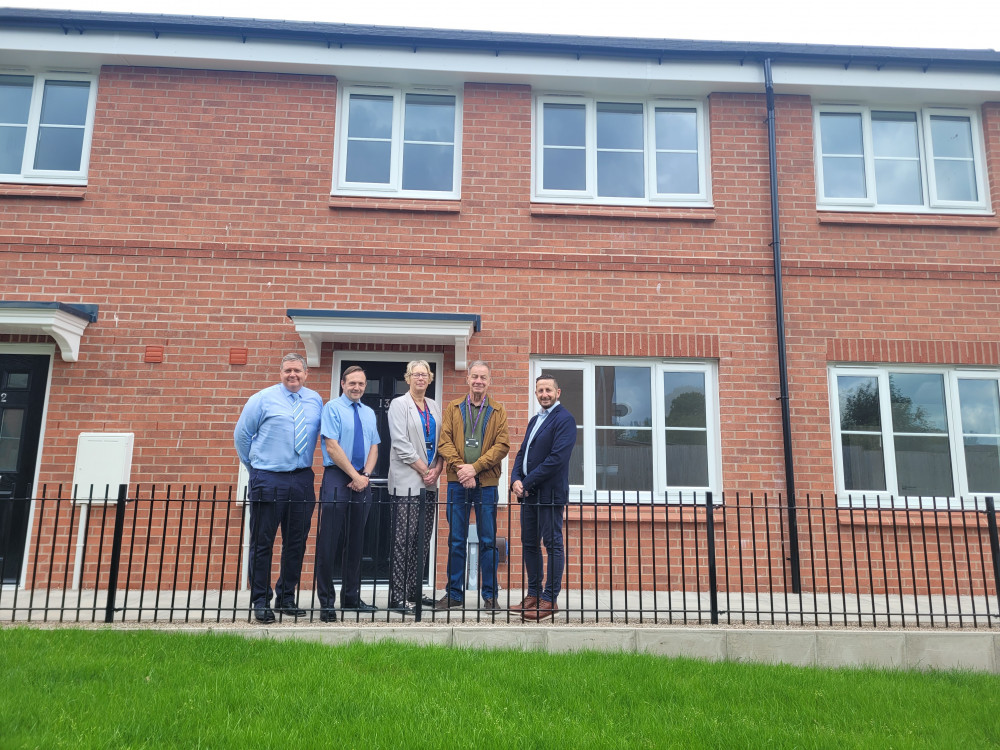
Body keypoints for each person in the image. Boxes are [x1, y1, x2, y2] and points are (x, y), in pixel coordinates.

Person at [234, 353, 322, 624]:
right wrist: (256, 468)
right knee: (263, 543)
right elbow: (242, 436)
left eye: (297, 370)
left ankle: (286, 597)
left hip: (302, 478)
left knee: (296, 542)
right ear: (280, 373)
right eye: (287, 371)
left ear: (306, 373)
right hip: (268, 477)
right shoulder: (261, 399)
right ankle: (260, 600)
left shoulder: (315, 400)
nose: (292, 375)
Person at [436, 360, 510, 611]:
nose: (479, 381)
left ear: (489, 381)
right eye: (475, 376)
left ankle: (490, 596)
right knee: (456, 540)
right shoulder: (453, 407)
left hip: (486, 483)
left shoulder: (498, 411)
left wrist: (475, 468)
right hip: (458, 483)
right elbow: (444, 442)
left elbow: (502, 446)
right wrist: (462, 469)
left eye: (483, 377)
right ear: (467, 379)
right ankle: (454, 594)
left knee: (488, 540)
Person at [314, 365, 381, 622]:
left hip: (363, 478)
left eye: (361, 384)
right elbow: (332, 446)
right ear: (343, 384)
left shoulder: (368, 412)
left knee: (356, 543)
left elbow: (375, 446)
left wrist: (365, 476)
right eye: (352, 383)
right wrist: (354, 476)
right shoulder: (332, 408)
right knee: (329, 542)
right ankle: (327, 603)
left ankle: (351, 598)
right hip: (337, 477)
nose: (357, 388)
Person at [510, 374, 577, 620]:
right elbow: (521, 453)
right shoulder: (534, 420)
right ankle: (534, 595)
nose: (544, 394)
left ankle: (550, 599)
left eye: (548, 390)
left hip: (549, 494)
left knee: (553, 545)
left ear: (558, 393)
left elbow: (556, 459)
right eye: (540, 391)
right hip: (529, 495)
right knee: (529, 544)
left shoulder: (565, 420)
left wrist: (526, 482)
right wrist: (515, 479)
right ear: (536, 393)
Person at [386, 360, 443, 613]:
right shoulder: (399, 405)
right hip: (408, 479)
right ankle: (397, 597)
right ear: (407, 378)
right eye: (415, 374)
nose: (420, 378)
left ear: (430, 379)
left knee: (422, 540)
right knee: (403, 539)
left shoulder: (434, 406)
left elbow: (443, 442)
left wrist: (437, 469)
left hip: (430, 482)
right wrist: (425, 470)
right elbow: (400, 443)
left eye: (424, 374)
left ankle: (414, 593)